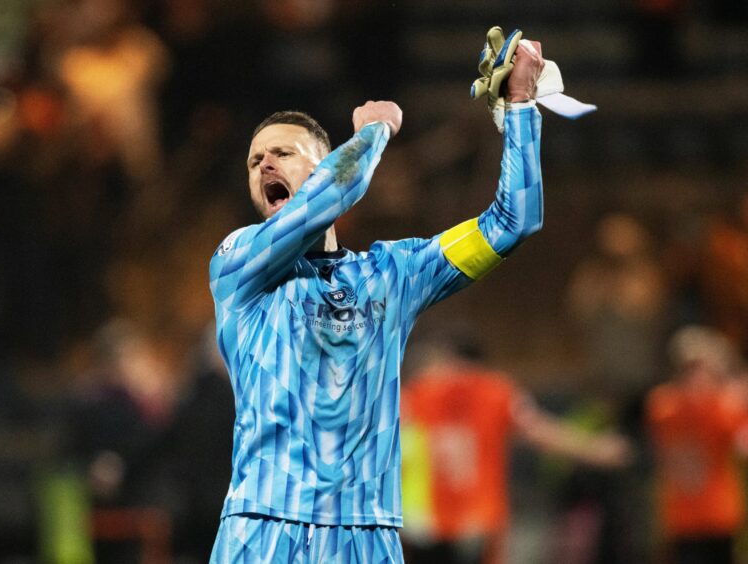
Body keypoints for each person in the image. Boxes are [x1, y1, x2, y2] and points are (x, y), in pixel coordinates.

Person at [208, 34, 545, 562]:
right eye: (254, 161)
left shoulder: (395, 273)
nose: (265, 166)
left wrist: (522, 108)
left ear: (323, 165)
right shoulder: (238, 263)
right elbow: (330, 197)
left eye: (283, 153)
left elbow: (512, 222)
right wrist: (376, 132)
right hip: (262, 526)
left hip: (366, 535)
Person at [399, 331, 633, 564]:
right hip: (480, 517)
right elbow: (539, 431)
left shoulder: (418, 392)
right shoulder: (497, 391)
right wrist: (596, 449)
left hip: (427, 521)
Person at [645, 325, 748, 564]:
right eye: (690, 370)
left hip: (721, 515)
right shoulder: (664, 407)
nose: (697, 378)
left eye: (704, 371)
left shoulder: (724, 407)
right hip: (682, 519)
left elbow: (745, 440)